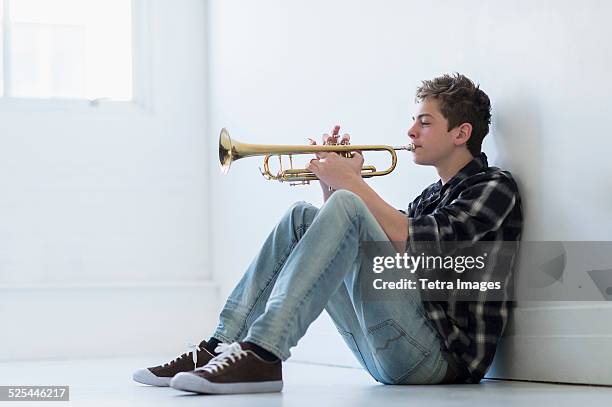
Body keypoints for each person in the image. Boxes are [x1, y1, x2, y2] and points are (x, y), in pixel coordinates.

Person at [132, 73, 523, 394]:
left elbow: (417, 244)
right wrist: (333, 184)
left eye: (425, 122)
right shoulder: (430, 196)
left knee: (349, 206)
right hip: (389, 349)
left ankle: (264, 353)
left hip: (441, 359)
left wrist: (352, 184)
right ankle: (216, 346)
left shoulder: (494, 187)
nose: (411, 131)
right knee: (304, 216)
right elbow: (366, 247)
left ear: (461, 133)